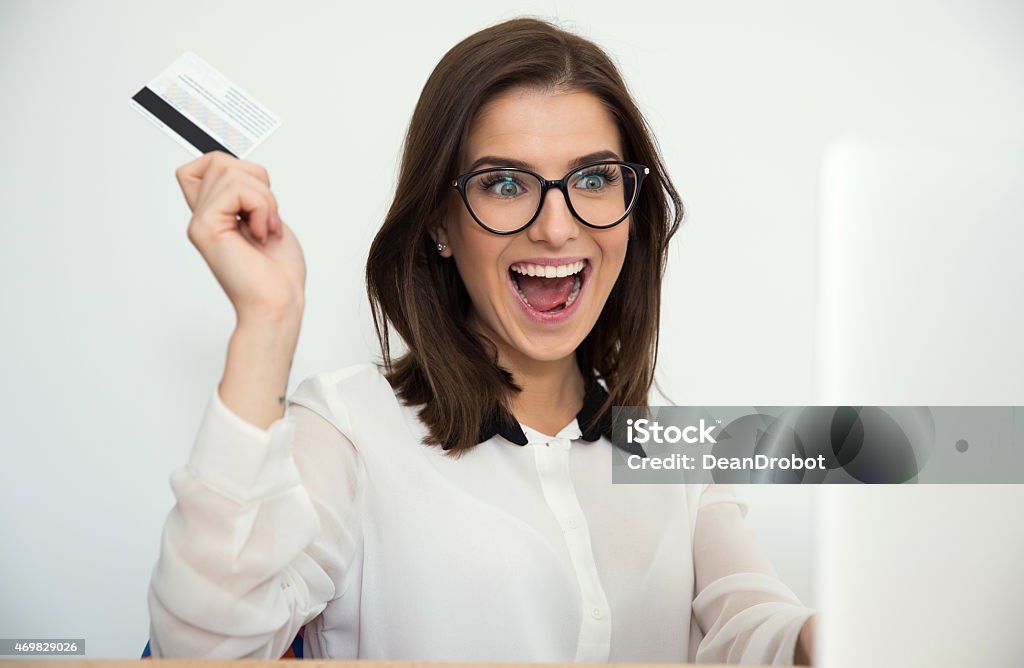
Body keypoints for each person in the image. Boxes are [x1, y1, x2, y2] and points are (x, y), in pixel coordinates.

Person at [147, 16, 817, 665]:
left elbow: (756, 631)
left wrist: (832, 636)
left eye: (593, 178)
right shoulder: (350, 427)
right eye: (504, 183)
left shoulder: (678, 450)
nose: (556, 229)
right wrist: (268, 316)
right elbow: (204, 654)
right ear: (441, 222)